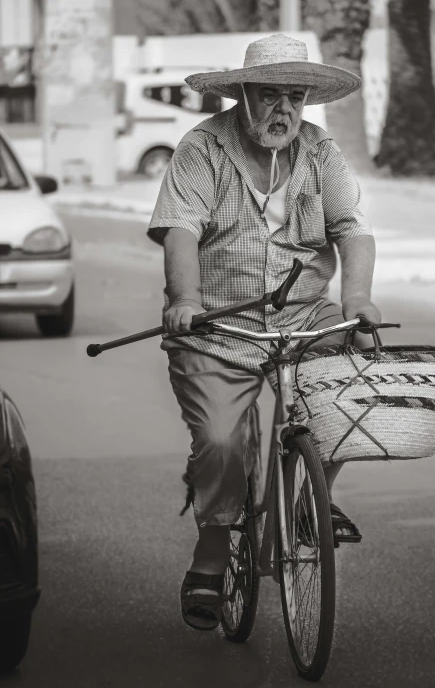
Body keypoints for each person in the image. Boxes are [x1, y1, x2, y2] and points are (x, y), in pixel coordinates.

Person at [147, 33, 381, 631]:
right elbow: (179, 230)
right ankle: (211, 550)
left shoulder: (320, 152)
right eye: (271, 94)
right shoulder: (202, 148)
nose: (284, 110)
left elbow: (352, 228)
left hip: (303, 318)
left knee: (347, 394)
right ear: (243, 94)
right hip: (215, 324)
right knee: (223, 443)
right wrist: (185, 300)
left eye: (295, 97)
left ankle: (308, 504)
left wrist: (357, 300)